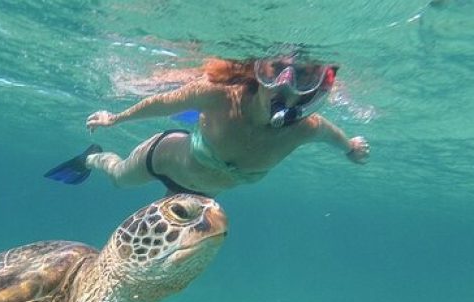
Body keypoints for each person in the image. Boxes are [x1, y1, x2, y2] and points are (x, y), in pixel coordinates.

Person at [44, 54, 370, 198]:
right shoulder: (220, 96)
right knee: (118, 179)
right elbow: (161, 104)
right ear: (259, 73)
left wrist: (351, 149)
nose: (285, 86)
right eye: (277, 73)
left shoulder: (306, 128)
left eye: (303, 78)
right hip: (162, 159)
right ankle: (90, 158)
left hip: (203, 193)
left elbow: (336, 138)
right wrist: (114, 119)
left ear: (315, 89)